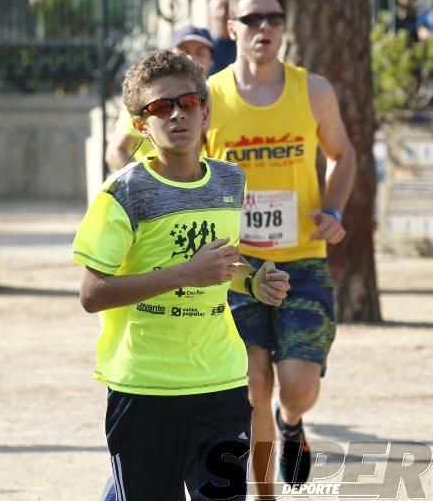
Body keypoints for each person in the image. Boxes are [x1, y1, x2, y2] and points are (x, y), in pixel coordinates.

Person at [72, 49, 291, 501]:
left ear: (205, 112)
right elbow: (93, 293)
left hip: (221, 383)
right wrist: (185, 274)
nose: (176, 114)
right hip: (145, 387)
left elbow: (220, 263)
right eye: (159, 107)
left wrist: (252, 281)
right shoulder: (123, 194)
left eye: (187, 102)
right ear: (140, 125)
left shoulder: (230, 182)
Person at [205, 0, 356, 497]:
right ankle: (264, 493)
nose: (262, 28)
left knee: (295, 386)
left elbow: (343, 154)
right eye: (250, 19)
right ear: (232, 28)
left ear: (286, 28)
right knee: (253, 385)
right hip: (235, 264)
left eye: (272, 18)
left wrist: (333, 206)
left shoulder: (312, 90)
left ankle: (292, 422)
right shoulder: (209, 97)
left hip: (302, 260)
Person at [105, 26, 215, 171]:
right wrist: (146, 184)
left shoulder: (220, 94)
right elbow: (115, 152)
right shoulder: (147, 97)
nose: (191, 57)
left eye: (200, 52)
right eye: (161, 108)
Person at [208, 0, 237, 75]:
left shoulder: (241, 42)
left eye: (226, 9)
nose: (223, 13)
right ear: (210, 12)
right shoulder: (203, 41)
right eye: (218, 8)